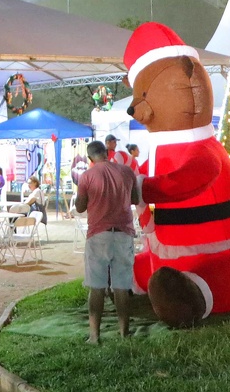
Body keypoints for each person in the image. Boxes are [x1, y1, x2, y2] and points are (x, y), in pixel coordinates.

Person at [74, 139, 139, 344]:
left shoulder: (87, 176)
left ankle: (94, 335)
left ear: (90, 157)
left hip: (98, 234)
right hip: (123, 232)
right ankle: (124, 332)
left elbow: (80, 207)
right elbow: (135, 199)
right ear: (106, 153)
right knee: (121, 286)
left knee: (97, 287)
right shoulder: (127, 172)